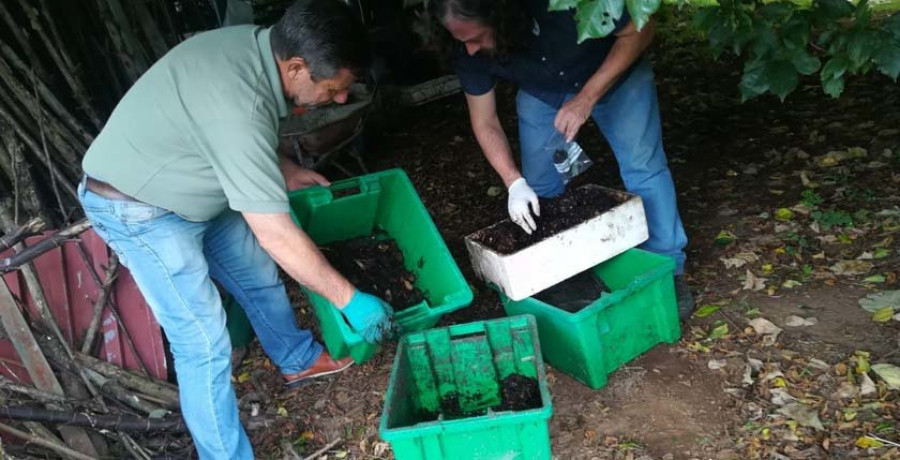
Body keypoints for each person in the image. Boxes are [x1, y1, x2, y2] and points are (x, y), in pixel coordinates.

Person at [78, 1, 393, 458]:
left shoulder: (256, 51)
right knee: (203, 341)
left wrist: (281, 169)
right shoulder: (240, 99)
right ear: (298, 67)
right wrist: (351, 300)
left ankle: (297, 360)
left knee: (257, 274)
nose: (342, 99)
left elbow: (226, 134)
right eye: (334, 89)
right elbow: (276, 231)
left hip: (196, 186)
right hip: (138, 207)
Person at [428, 0, 694, 319]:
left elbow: (640, 30)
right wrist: (513, 182)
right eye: (461, 41)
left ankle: (667, 267)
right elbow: (485, 121)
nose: (471, 50)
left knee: (643, 168)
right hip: (545, 92)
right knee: (538, 185)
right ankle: (563, 272)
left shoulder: (561, 5)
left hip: (613, 74)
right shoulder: (465, 50)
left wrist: (586, 99)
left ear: (502, 17)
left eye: (477, 38)